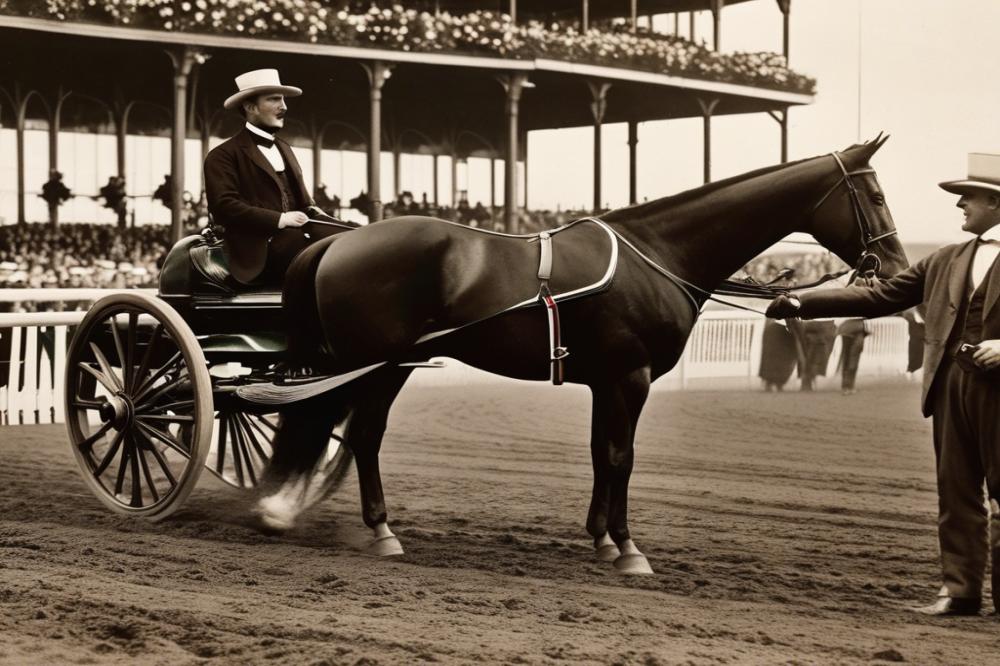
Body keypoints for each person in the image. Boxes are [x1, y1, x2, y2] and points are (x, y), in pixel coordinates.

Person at [766, 152, 1000, 617]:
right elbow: (880, 295)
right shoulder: (946, 259)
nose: (959, 207)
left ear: (995, 202)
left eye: (966, 197)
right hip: (950, 383)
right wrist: (800, 302)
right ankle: (960, 591)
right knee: (955, 493)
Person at [204, 69, 346, 285]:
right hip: (255, 250)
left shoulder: (285, 149)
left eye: (283, 99)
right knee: (306, 250)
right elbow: (224, 206)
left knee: (350, 242)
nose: (284, 106)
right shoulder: (222, 155)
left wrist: (346, 228)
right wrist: (280, 219)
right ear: (250, 107)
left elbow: (307, 206)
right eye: (274, 99)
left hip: (294, 237)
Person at [835, 318, 869, 395]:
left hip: (845, 329)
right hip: (856, 329)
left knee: (846, 358)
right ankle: (849, 386)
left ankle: (845, 386)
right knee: (853, 358)